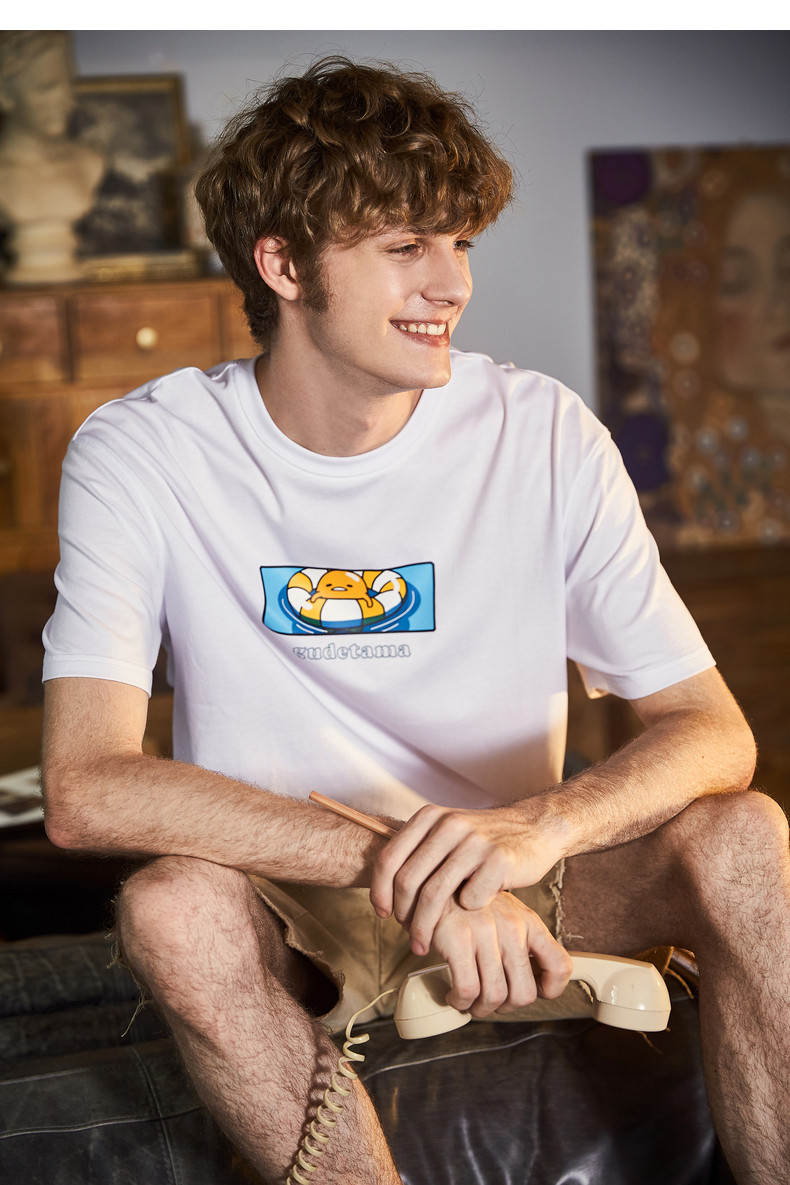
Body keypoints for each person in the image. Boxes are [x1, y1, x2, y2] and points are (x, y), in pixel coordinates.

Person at [40, 57, 788, 1185]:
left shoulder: (542, 432)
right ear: (282, 265)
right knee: (171, 906)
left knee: (747, 835)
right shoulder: (141, 449)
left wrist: (532, 832)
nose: (452, 284)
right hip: (296, 899)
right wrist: (422, 870)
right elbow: (85, 785)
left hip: (527, 871)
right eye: (405, 248)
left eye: (461, 243)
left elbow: (712, 729)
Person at [0, 30, 104, 285]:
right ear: (5, 93)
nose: (67, 100)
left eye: (69, 84)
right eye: (47, 87)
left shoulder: (89, 162)